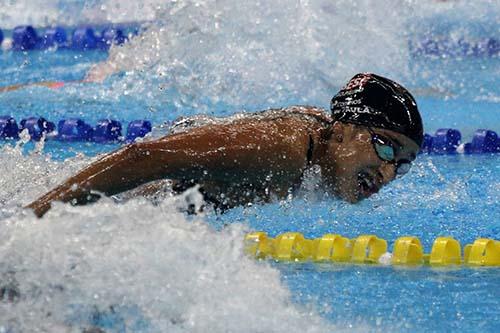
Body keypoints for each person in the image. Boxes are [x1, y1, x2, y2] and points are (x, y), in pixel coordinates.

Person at [26, 73, 423, 217]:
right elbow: (146, 156)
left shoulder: (323, 144)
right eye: (385, 148)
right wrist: (32, 218)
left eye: (402, 164)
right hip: (125, 200)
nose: (388, 173)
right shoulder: (281, 150)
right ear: (343, 130)